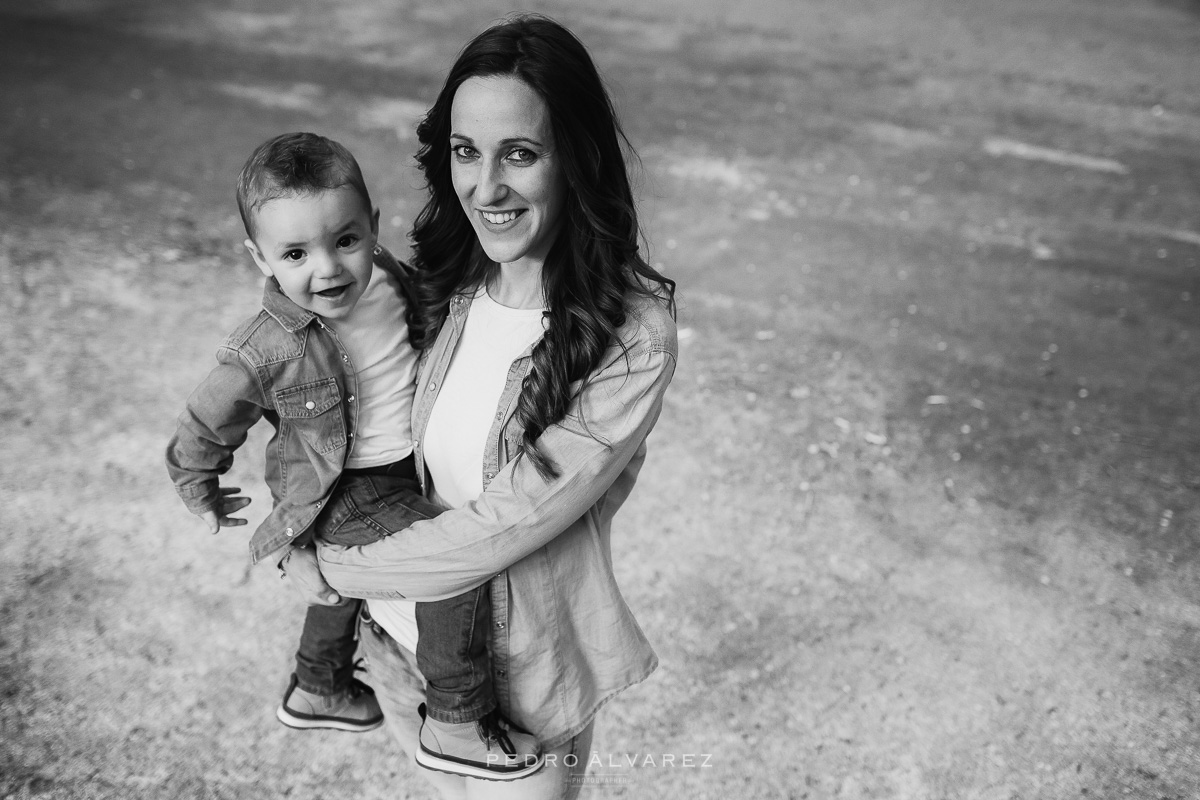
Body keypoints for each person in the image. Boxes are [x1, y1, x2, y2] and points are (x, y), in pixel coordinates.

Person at [281, 14, 679, 799]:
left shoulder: (631, 335)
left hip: (518, 686)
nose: (485, 188)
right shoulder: (434, 282)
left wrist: (324, 560)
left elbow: (506, 524)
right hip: (396, 648)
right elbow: (328, 417)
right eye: (467, 152)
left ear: (576, 159)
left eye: (520, 155)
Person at [164, 132, 543, 780]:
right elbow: (206, 418)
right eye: (295, 253)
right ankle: (455, 720)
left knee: (356, 586)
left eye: (344, 241)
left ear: (372, 227)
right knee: (451, 559)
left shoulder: (389, 278)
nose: (328, 269)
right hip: (344, 488)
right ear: (260, 256)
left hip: (408, 463)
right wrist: (199, 485)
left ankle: (320, 685)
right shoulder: (267, 346)